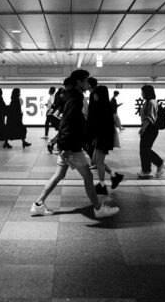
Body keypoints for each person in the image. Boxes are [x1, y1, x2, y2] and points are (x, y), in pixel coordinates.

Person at [31, 70, 119, 219]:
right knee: (88, 177)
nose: (87, 84)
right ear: (79, 82)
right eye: (86, 81)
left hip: (66, 144)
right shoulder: (75, 98)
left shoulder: (69, 95)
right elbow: (68, 122)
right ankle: (98, 209)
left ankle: (38, 205)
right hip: (70, 146)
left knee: (59, 175)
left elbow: (67, 121)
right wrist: (65, 146)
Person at [87, 85, 124, 194]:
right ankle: (114, 175)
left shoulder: (102, 107)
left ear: (99, 94)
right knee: (97, 161)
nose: (94, 95)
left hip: (103, 138)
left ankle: (102, 185)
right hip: (102, 137)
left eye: (95, 93)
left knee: (99, 162)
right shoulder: (105, 105)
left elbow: (101, 125)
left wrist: (96, 137)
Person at [137, 84, 165, 178]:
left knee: (145, 149)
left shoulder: (151, 102)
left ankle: (159, 163)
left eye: (142, 92)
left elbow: (150, 117)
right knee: (144, 150)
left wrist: (143, 128)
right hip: (148, 128)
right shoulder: (148, 102)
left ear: (147, 92)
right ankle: (147, 170)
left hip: (150, 128)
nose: (141, 94)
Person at [46, 84, 66, 154]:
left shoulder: (57, 99)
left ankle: (53, 143)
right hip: (59, 118)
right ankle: (54, 144)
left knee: (61, 132)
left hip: (56, 118)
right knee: (62, 132)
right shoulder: (61, 100)